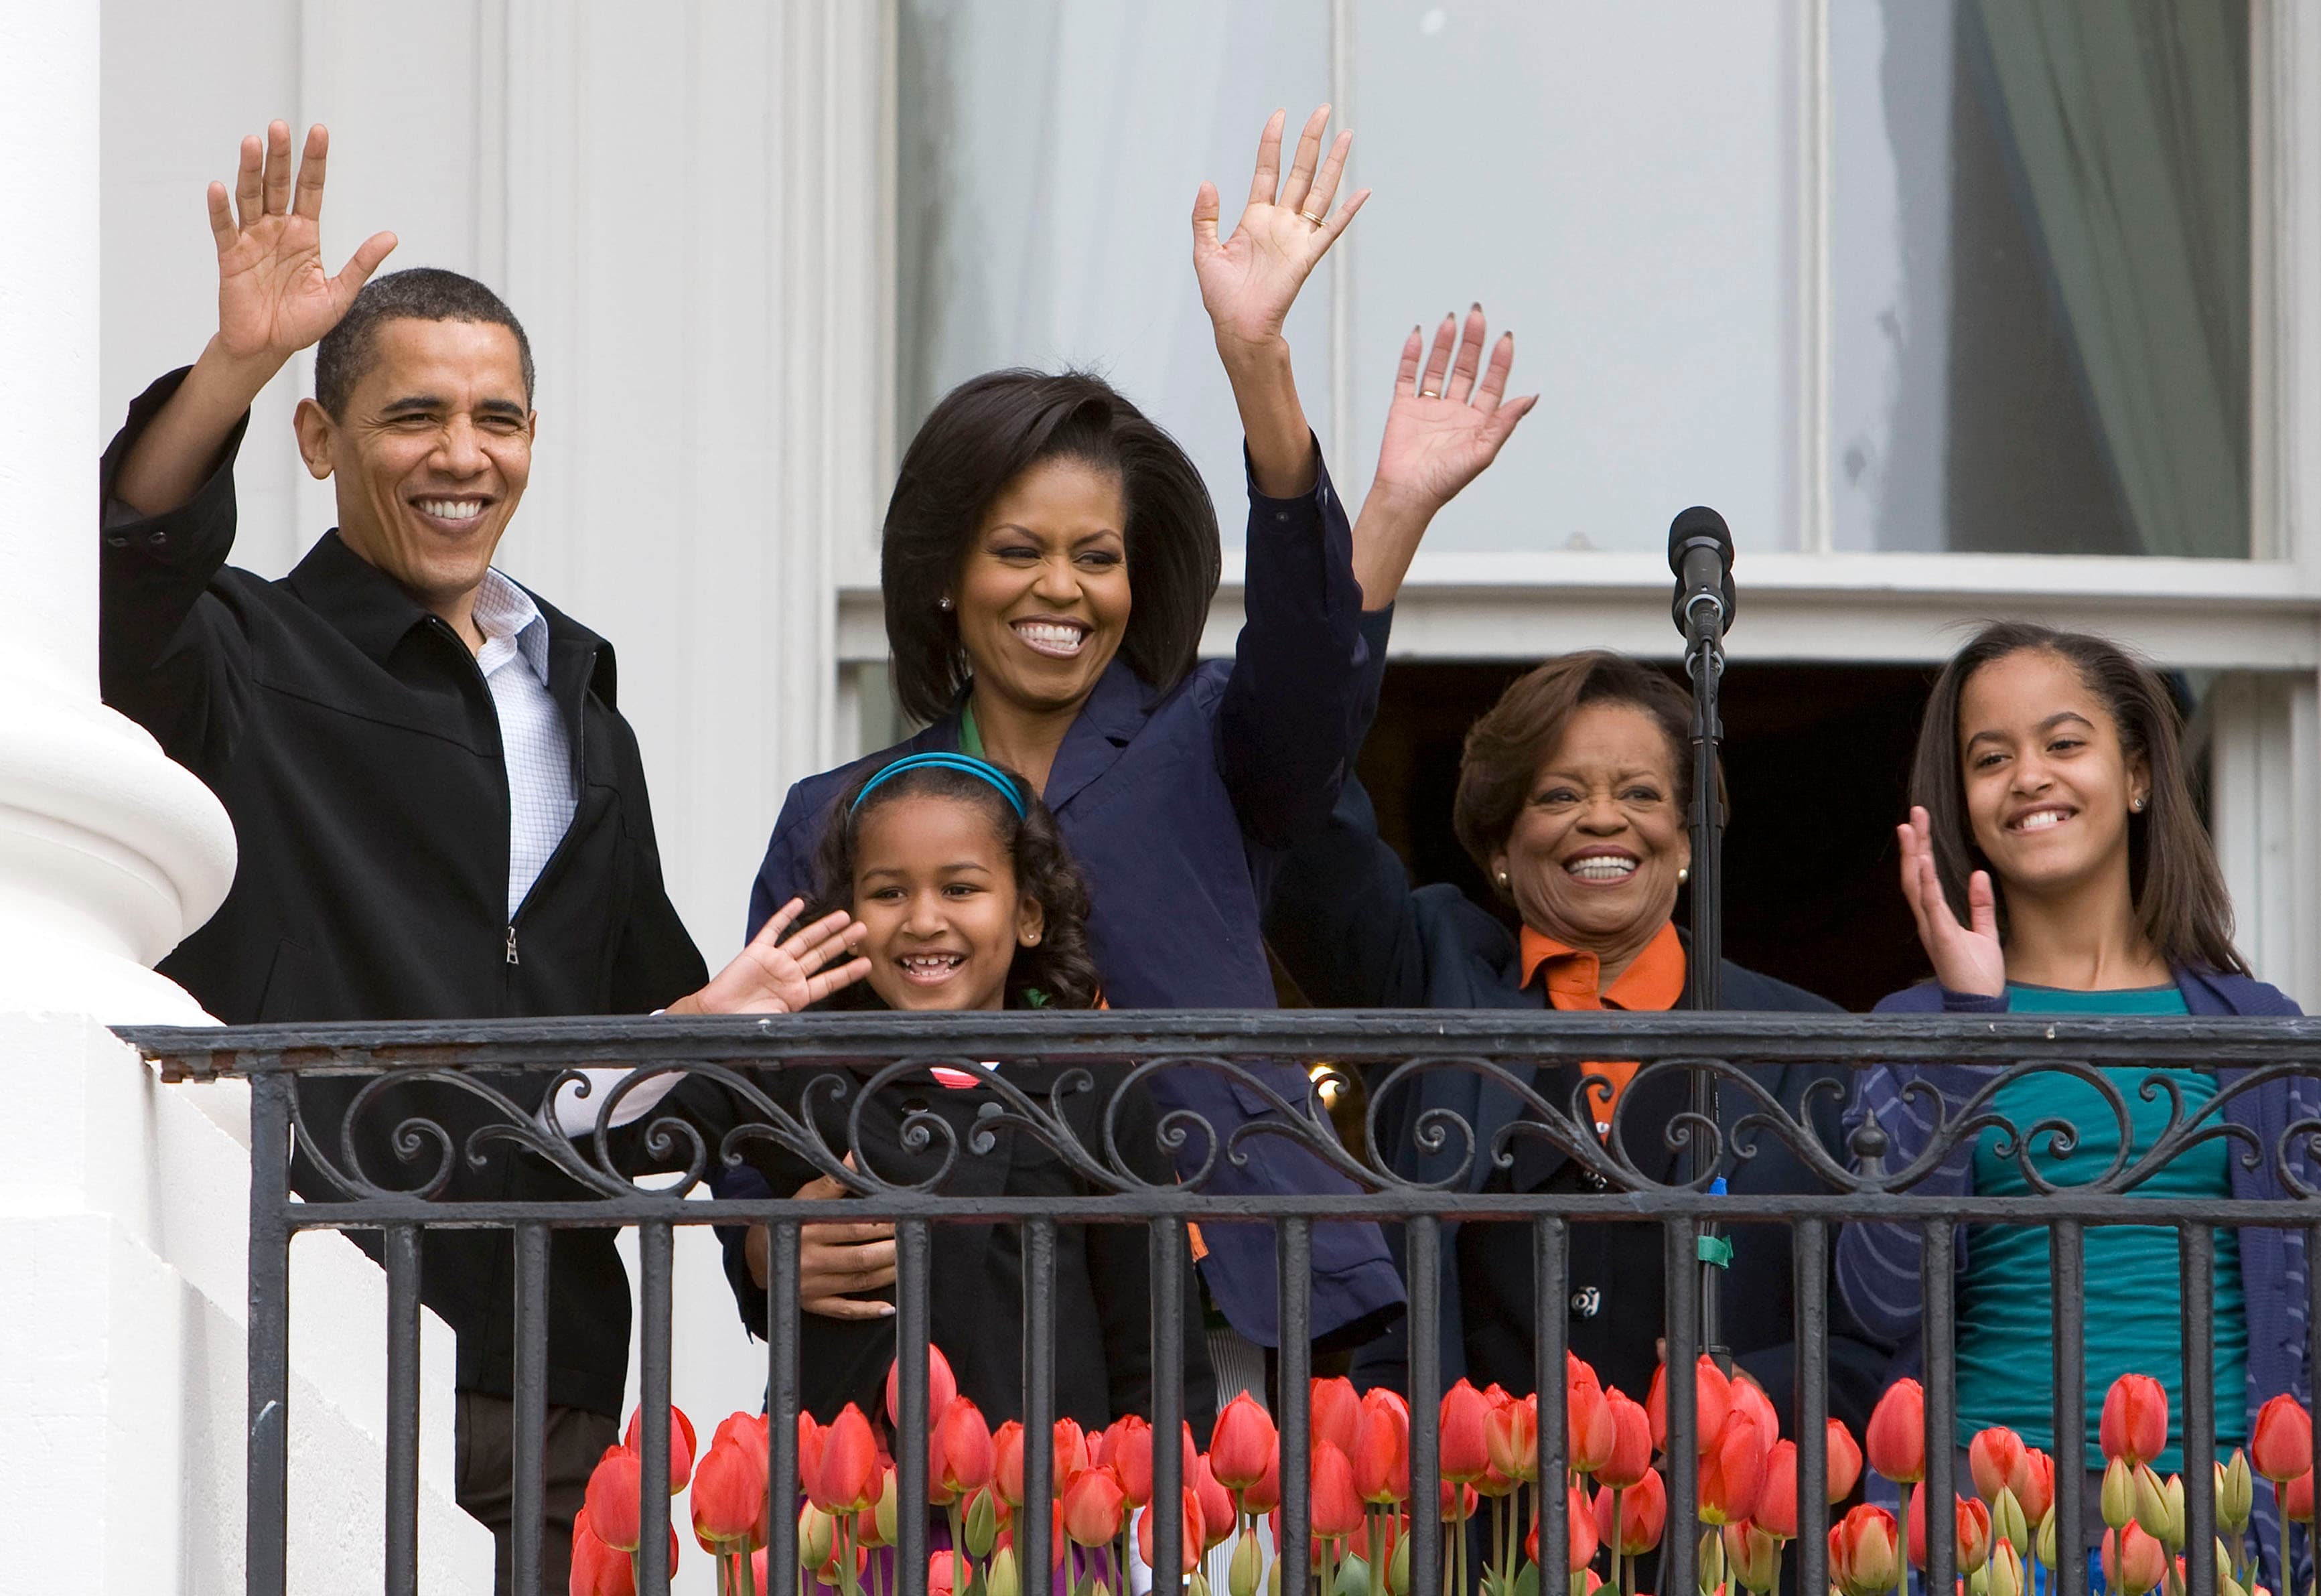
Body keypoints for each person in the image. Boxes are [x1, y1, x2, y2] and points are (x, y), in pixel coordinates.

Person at [95, 121, 799, 1594]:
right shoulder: (242, 650)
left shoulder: (576, 695)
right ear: (318, 439)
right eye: (415, 416)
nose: (464, 455)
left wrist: (793, 1203)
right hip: (319, 1301)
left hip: (550, 1344)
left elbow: (637, 1006)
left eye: (501, 418)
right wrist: (230, 363)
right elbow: (127, 565)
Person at [742, 108, 1530, 1382]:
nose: (1062, 589)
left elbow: (1312, 672)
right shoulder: (836, 815)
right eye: (1019, 552)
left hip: (1230, 1303)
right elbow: (770, 1090)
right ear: (947, 576)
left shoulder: (1210, 742)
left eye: (1097, 558)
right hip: (959, 1333)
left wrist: (1257, 363)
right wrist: (764, 1243)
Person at [1265, 652, 1890, 1433]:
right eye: (1559, 794)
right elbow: (1298, 803)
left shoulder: (1810, 1050)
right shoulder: (1430, 990)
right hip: (1472, 1532)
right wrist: (1375, 537)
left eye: (1640, 793)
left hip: (1727, 1534)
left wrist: (1748, 1395)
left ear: (1687, 838)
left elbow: (1885, 1338)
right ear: (1498, 845)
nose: (1602, 819)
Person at [1837, 622, 2321, 1573]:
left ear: (2139, 774)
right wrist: (1971, 1026)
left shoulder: (2259, 1025)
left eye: (2064, 743)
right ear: (1964, 803)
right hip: (1979, 1536)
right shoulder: (1916, 1024)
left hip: (2224, 1533)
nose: (2029, 775)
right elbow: (1876, 1298)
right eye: (1992, 757)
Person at [713, 752, 1217, 1439]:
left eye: (960, 889)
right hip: (849, 1518)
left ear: (1028, 915)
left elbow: (1153, 1346)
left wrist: (1165, 1515)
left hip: (1047, 1514)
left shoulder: (1093, 1091)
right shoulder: (804, 1075)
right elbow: (640, 1131)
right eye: (888, 892)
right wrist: (712, 1022)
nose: (922, 919)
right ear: (849, 913)